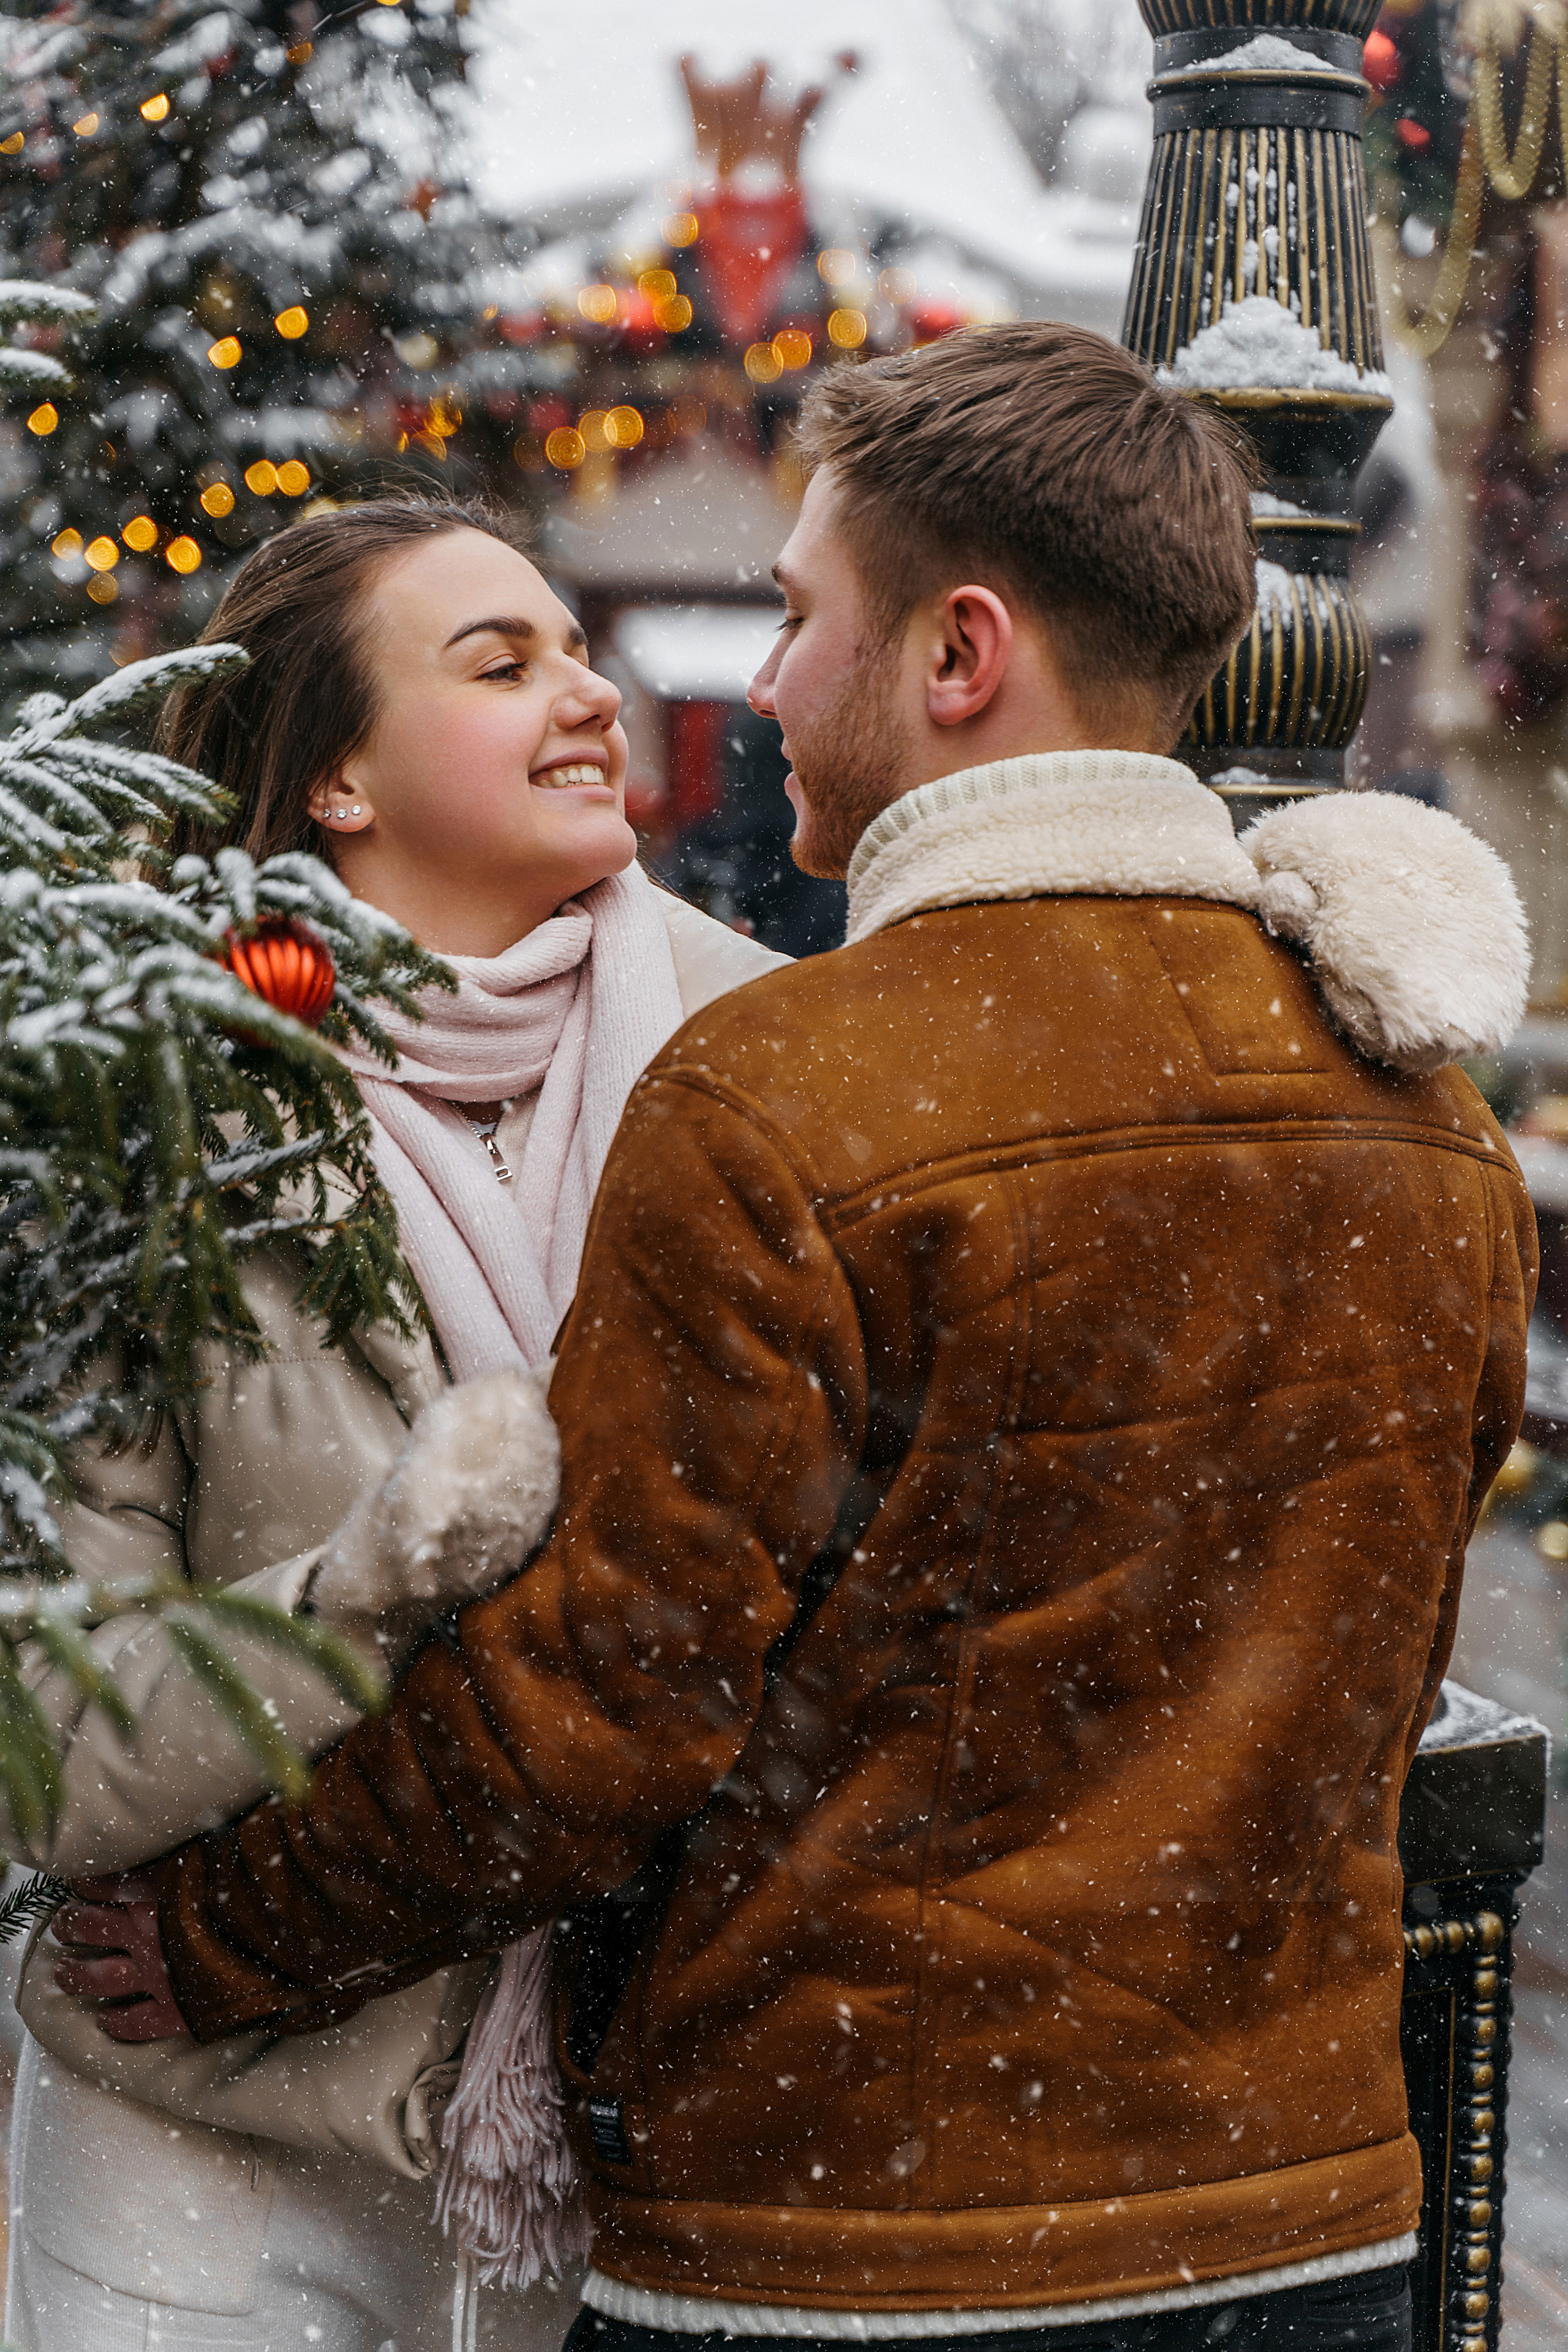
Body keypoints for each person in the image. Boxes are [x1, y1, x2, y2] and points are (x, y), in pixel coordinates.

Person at [60, 327, 1536, 2352]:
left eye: (793, 617)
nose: (750, 690)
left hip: (859, 2220)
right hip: (1307, 2208)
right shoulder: (1422, 1115)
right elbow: (1385, 1634)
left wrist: (223, 1937)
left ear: (953, 657)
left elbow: (607, 1704)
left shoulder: (783, 1089)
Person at [7, 496, 783, 2352]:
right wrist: (355, 1596)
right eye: (500, 663)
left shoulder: (764, 1058)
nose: (586, 694)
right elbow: (42, 1724)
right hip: (209, 2139)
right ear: (337, 778)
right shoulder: (165, 1110)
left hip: (624, 2137)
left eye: (574, 649)